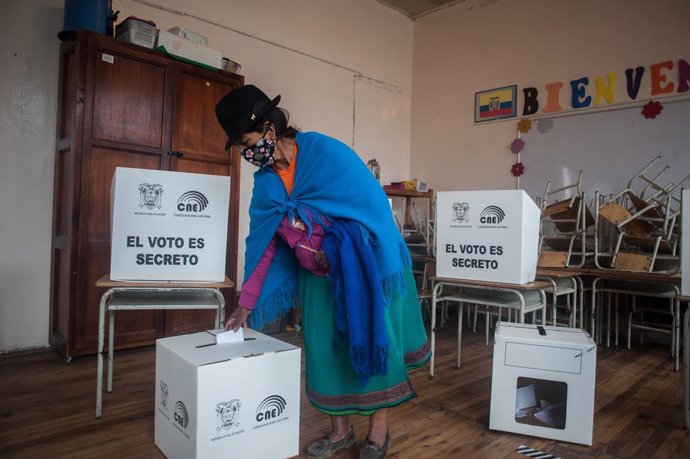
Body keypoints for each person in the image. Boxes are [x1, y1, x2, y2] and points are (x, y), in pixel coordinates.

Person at [216, 84, 430, 459]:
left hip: (363, 271)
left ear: (269, 130)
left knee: (371, 340)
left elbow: (371, 208)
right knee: (324, 351)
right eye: (239, 146)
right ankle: (340, 432)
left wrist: (340, 248)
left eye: (245, 141)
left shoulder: (324, 153)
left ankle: (378, 433)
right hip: (316, 279)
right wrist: (245, 306)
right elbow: (263, 247)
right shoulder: (266, 184)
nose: (245, 152)